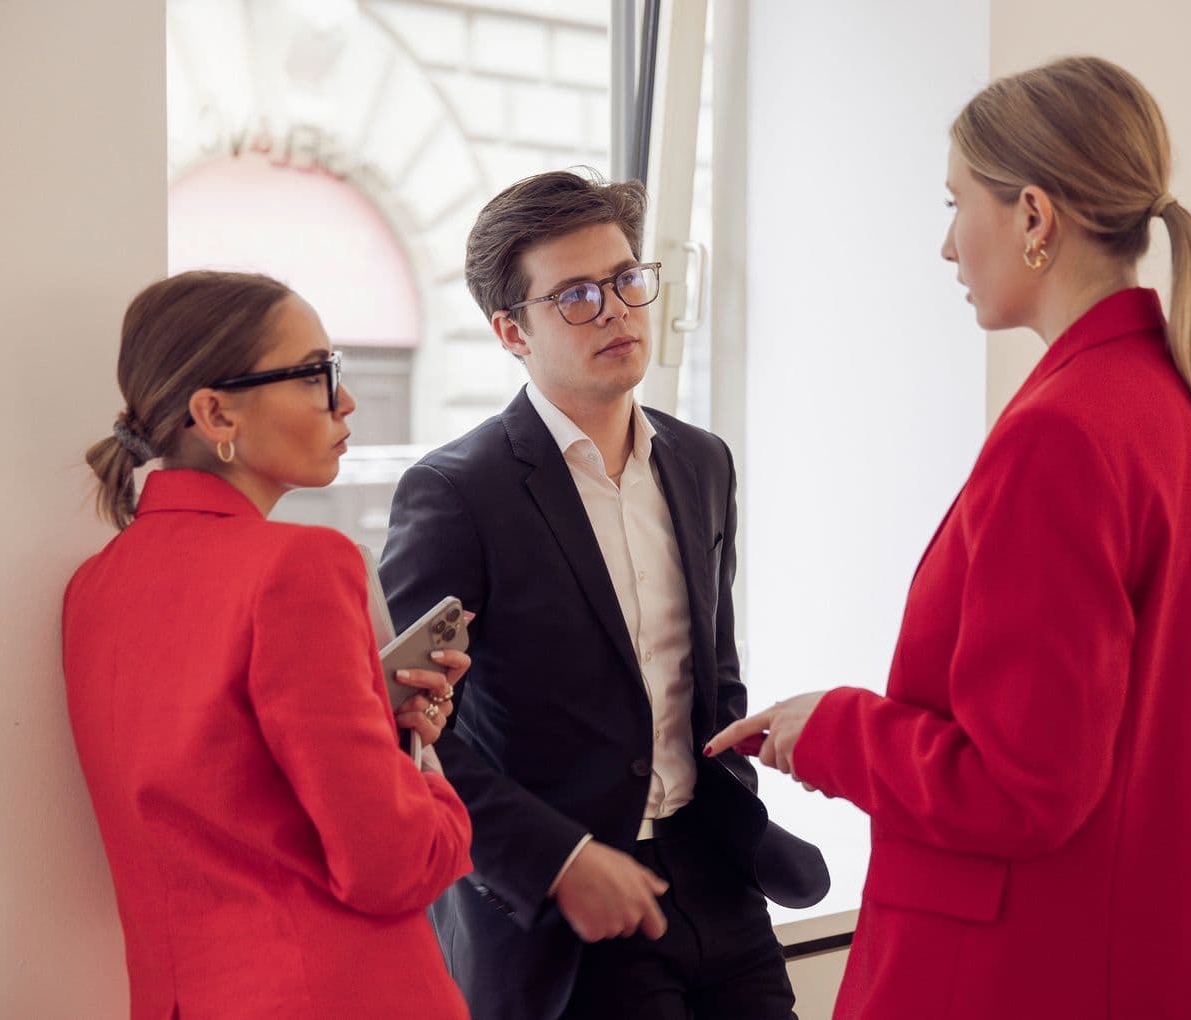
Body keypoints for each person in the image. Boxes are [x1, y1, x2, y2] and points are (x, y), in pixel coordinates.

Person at [709, 56, 1191, 1018]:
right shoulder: (1166, 400)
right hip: (1127, 949)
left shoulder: (1066, 432)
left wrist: (829, 726)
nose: (949, 247)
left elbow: (1024, 788)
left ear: (1035, 217)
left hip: (1029, 966)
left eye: (957, 202)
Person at [378, 170, 828, 1020]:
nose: (618, 310)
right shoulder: (456, 493)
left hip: (717, 876)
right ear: (512, 330)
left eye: (626, 280)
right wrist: (558, 860)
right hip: (572, 907)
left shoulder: (702, 462)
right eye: (577, 296)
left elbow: (711, 669)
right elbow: (409, 735)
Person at [63, 270, 474, 1019]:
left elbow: (226, 796)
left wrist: (391, 732)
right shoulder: (302, 564)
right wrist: (431, 780)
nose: (344, 401)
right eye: (319, 374)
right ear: (215, 413)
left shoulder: (94, 587)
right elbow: (391, 865)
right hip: (338, 994)